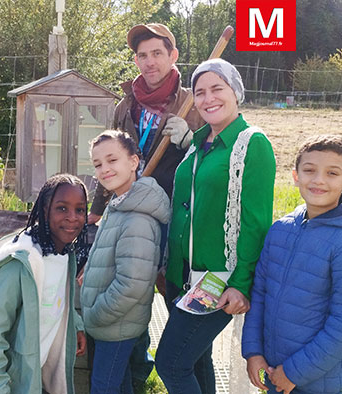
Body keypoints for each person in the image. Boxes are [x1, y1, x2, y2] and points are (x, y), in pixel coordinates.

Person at [87, 22, 204, 389]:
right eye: (142, 55)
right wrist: (97, 208)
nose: (149, 62)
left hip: (175, 218)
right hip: (131, 213)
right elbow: (109, 159)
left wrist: (190, 139)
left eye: (157, 53)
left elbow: (216, 160)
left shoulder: (193, 101)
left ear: (173, 56)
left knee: (178, 308)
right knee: (129, 297)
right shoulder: (128, 104)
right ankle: (137, 373)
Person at [155, 58, 276, 394]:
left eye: (217, 89)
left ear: (236, 92)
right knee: (195, 361)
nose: (208, 98)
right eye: (200, 92)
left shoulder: (252, 144)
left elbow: (256, 222)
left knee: (170, 364)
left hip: (216, 281)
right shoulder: (197, 144)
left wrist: (241, 283)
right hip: (181, 276)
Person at [242, 135, 342, 394]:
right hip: (275, 372)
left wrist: (295, 372)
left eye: (332, 173)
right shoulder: (279, 230)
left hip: (317, 382)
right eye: (309, 170)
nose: (318, 180)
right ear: (296, 176)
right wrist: (253, 350)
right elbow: (260, 294)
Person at [0, 173, 90, 394]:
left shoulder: (64, 254)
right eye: (62, 208)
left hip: (30, 379)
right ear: (44, 209)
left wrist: (75, 325)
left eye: (80, 209)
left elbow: (56, 295)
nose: (72, 217)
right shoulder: (20, 263)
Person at [80, 129, 170, 393]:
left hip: (114, 325)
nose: (104, 169)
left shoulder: (138, 218)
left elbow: (132, 284)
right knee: (120, 385)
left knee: (104, 387)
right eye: (98, 164)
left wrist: (95, 315)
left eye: (112, 160)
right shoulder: (121, 203)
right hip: (115, 323)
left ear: (133, 162)